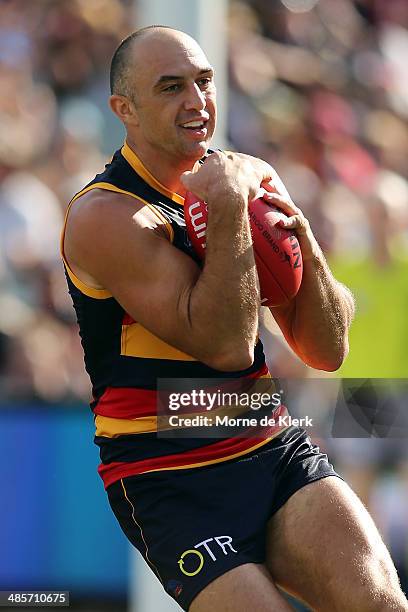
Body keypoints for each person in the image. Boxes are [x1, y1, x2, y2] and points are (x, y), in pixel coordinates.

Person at [61, 26, 408, 612]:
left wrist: (291, 221)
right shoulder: (105, 216)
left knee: (380, 605)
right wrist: (227, 207)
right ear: (125, 109)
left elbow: (328, 349)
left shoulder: (246, 180)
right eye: (170, 87)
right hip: (167, 473)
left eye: (203, 82)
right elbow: (224, 347)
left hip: (269, 442)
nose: (196, 101)